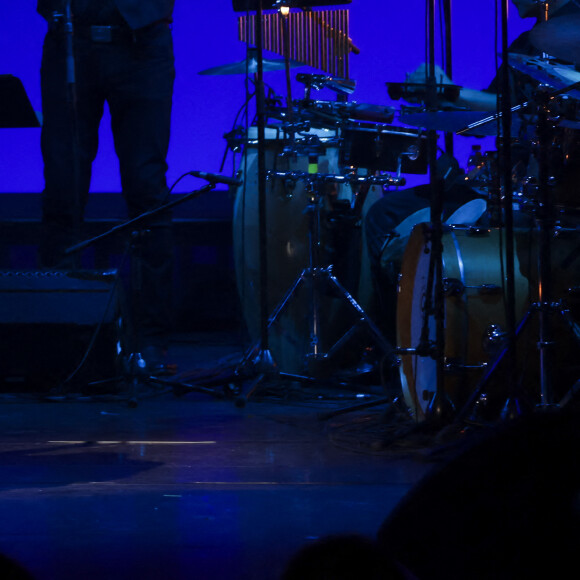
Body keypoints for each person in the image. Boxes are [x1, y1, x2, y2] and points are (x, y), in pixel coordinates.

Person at [363, 0, 580, 342]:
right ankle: (396, 351)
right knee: (383, 214)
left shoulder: (571, 42)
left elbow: (535, 110)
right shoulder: (527, 44)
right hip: (505, 180)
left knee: (475, 228)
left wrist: (453, 91)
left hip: (550, 188)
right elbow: (487, 121)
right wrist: (442, 97)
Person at [36, 0, 176, 372]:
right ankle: (56, 332)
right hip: (70, 42)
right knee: (63, 189)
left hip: (142, 46)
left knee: (146, 188)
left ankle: (151, 339)